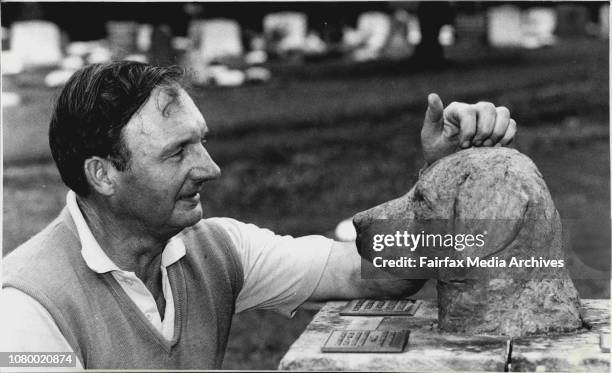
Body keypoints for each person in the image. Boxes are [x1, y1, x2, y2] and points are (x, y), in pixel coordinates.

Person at [0, 61, 517, 369]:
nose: (211, 167)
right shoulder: (25, 310)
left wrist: (444, 180)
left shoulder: (215, 249)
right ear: (103, 175)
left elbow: (373, 273)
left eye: (202, 142)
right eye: (178, 153)